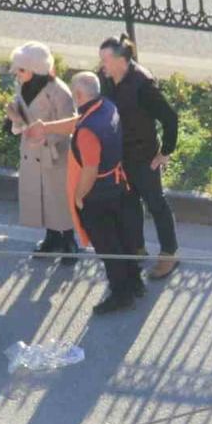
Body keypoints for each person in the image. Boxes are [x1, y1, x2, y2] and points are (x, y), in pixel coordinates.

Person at [97, 35, 181, 280]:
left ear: (122, 60)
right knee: (128, 203)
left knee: (156, 204)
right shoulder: (106, 78)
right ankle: (136, 249)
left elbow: (170, 118)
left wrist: (165, 152)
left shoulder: (142, 84)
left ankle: (169, 254)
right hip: (120, 156)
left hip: (144, 157)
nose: (101, 64)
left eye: (105, 59)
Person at [65, 72, 144, 315]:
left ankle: (121, 295)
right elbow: (77, 122)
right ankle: (135, 282)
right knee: (124, 237)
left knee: (108, 247)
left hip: (99, 195)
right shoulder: (107, 106)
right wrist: (47, 128)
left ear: (78, 95)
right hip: (119, 185)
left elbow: (90, 170)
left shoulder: (87, 131)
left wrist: (79, 196)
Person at [4, 42, 79, 265]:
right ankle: (51, 237)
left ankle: (69, 240)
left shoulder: (59, 92)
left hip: (55, 154)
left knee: (59, 198)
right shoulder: (22, 87)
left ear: (36, 69)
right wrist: (14, 119)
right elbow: (22, 115)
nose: (17, 74)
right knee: (40, 197)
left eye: (22, 69)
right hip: (31, 151)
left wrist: (44, 137)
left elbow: (69, 126)